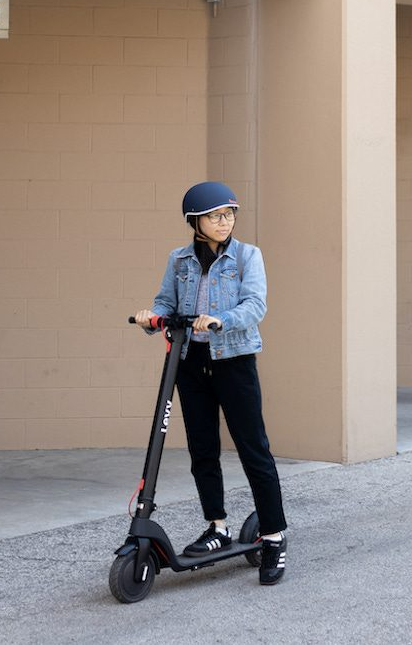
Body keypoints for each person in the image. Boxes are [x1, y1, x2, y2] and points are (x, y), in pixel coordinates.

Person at [133, 181, 288, 586]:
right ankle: (217, 527)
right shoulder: (179, 260)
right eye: (215, 215)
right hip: (190, 361)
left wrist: (223, 320)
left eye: (229, 214)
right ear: (195, 221)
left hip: (233, 360)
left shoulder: (247, 256)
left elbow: (255, 305)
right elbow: (167, 303)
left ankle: (274, 536)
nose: (225, 221)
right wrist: (152, 317)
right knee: (202, 449)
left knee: (254, 449)